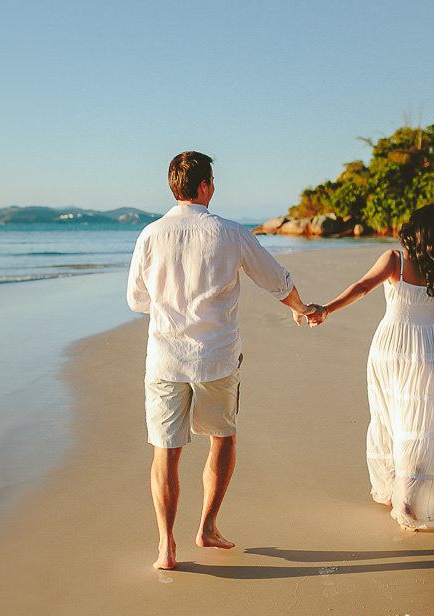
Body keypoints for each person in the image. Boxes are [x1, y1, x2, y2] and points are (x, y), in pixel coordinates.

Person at [127, 151, 314, 570]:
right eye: (212, 180)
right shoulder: (230, 232)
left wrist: (172, 301)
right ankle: (207, 526)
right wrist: (301, 308)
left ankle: (166, 547)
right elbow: (274, 278)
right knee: (222, 438)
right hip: (216, 358)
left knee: (165, 451)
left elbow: (136, 300)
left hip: (165, 359)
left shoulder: (150, 235)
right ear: (205, 186)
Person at [307, 203, 434, 531]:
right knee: (421, 427)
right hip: (432, 350)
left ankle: (396, 492)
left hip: (391, 348)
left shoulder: (395, 260)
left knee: (389, 417)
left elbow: (361, 288)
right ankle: (406, 495)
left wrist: (327, 309)